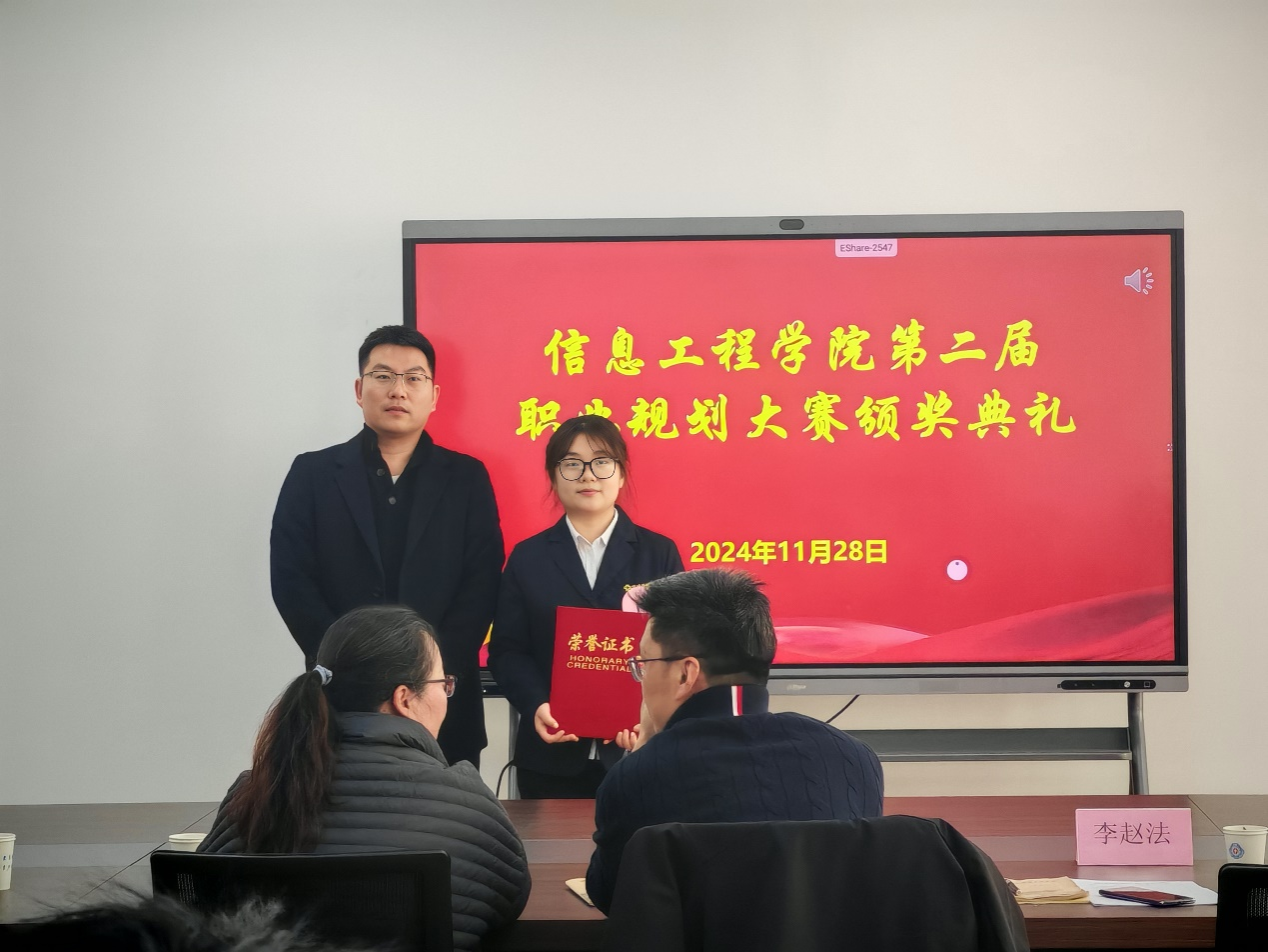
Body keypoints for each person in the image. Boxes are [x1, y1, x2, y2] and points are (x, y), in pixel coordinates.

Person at [200, 605, 530, 952]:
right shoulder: (468, 802)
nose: (447, 693)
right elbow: (509, 901)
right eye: (442, 682)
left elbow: (198, 901)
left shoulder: (257, 791)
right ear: (404, 699)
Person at [584, 568, 885, 914]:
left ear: (685, 673)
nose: (640, 676)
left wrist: (644, 747)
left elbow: (612, 896)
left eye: (644, 663)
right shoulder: (854, 759)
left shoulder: (637, 777)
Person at [270, 324, 502, 767]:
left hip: (442, 702)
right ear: (360, 390)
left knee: (444, 810)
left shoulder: (467, 478)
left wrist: (427, 677)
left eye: (414, 378)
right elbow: (291, 581)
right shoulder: (312, 474)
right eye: (383, 376)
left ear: (434, 395)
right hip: (339, 698)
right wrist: (349, 669)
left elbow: (482, 584)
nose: (398, 390)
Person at [488, 415, 683, 799]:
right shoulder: (528, 557)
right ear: (553, 475)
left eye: (602, 462)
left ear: (622, 474)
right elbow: (508, 651)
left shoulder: (659, 554)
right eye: (572, 463)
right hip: (549, 757)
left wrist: (648, 717)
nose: (587, 475)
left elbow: (678, 651)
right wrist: (536, 704)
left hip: (638, 752)